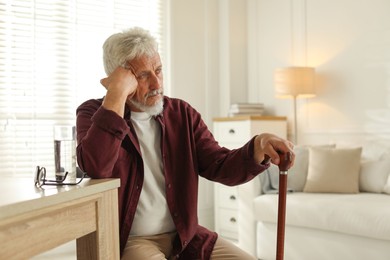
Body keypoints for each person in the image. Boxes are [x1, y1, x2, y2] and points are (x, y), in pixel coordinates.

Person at [76, 27, 295, 260]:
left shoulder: (181, 113)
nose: (156, 83)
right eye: (142, 76)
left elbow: (219, 164)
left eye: (158, 70)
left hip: (186, 237)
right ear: (120, 79)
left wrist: (257, 147)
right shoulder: (93, 113)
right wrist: (116, 95)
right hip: (133, 241)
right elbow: (96, 166)